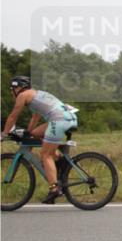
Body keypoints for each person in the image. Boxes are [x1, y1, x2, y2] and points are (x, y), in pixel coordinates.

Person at [1, 76, 79, 204]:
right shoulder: (37, 94)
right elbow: (35, 117)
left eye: (12, 89)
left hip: (58, 120)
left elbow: (13, 116)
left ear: (18, 87)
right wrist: (28, 133)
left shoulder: (23, 95)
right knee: (35, 134)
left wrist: (3, 134)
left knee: (44, 154)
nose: (11, 92)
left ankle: (54, 189)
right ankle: (60, 160)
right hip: (68, 118)